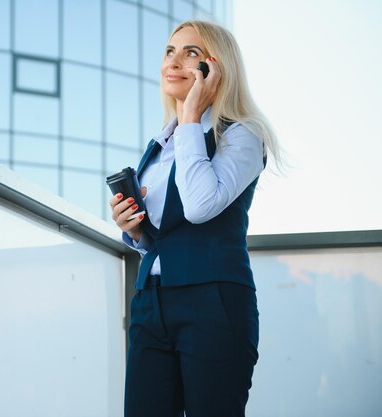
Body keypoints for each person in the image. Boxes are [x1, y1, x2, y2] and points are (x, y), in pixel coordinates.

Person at [109, 20, 281, 417]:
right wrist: (134, 230)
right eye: (170, 51)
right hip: (150, 304)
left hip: (213, 301)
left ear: (215, 69)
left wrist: (190, 117)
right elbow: (166, 232)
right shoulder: (163, 144)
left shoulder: (242, 134)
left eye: (191, 53)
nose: (174, 61)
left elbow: (201, 206)